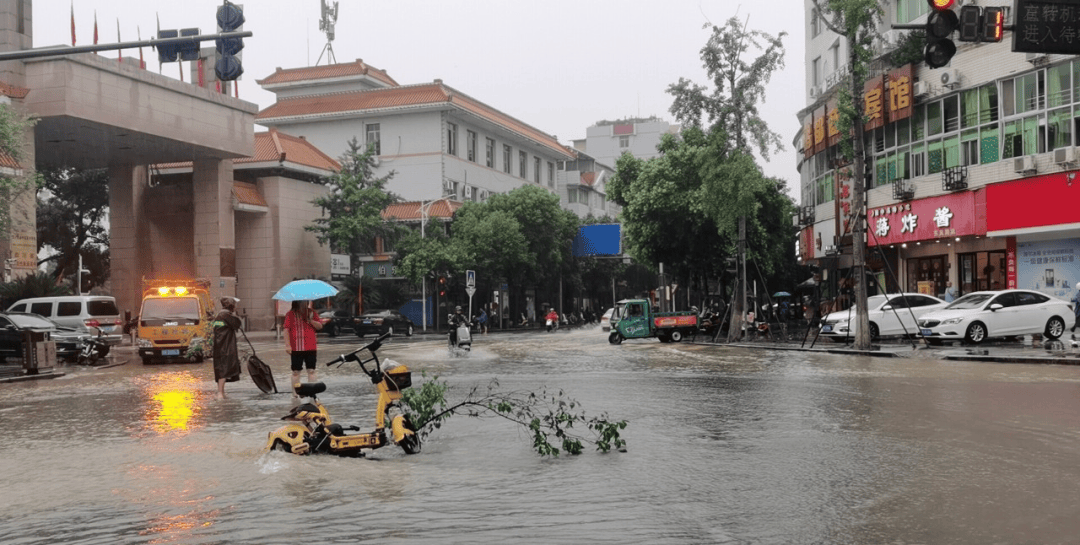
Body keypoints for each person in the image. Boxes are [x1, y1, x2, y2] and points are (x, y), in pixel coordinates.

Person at [284, 300, 324, 396]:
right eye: (302, 302)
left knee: (311, 370)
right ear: (297, 302)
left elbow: (319, 327)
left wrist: (310, 321)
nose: (305, 304)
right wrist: (287, 345)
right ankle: (295, 393)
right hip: (296, 347)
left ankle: (312, 391)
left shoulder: (312, 313)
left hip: (310, 346)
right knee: (295, 372)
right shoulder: (290, 314)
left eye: (306, 302)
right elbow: (286, 329)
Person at [212, 297, 242, 399]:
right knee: (223, 369)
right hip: (225, 346)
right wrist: (235, 315)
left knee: (221, 368)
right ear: (231, 305)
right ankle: (220, 393)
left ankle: (221, 392)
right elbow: (237, 324)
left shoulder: (220, 315)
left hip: (220, 345)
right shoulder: (225, 315)